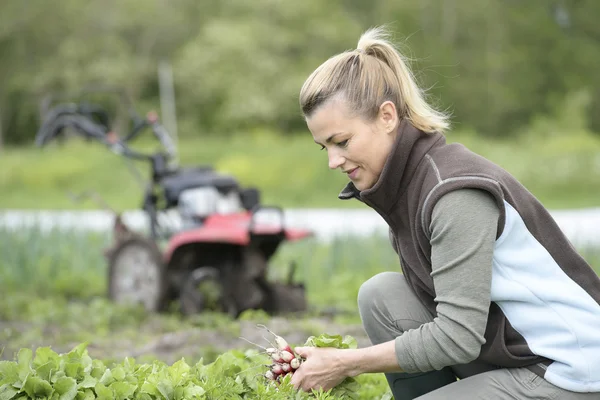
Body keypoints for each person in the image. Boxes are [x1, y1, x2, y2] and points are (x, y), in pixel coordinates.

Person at [289, 26, 600, 399]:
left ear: (387, 116)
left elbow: (457, 336)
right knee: (381, 295)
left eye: (342, 141)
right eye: (325, 148)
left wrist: (346, 362)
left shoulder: (452, 193)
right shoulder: (404, 183)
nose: (334, 161)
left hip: (569, 369)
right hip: (514, 350)